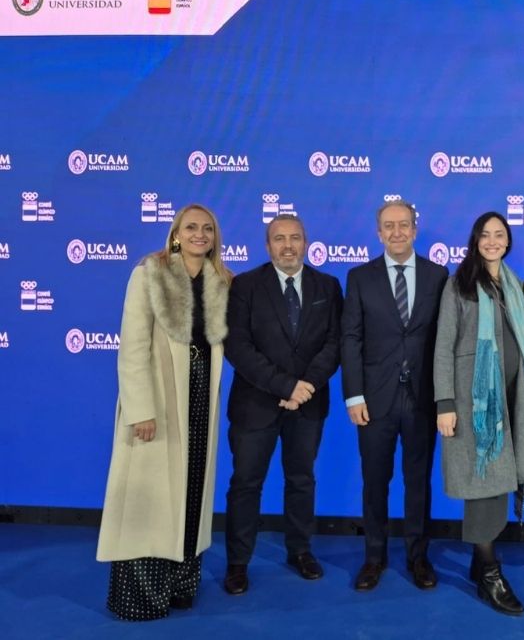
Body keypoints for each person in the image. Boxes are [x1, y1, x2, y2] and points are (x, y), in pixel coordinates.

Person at [97, 203, 231, 620]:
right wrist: (140, 410)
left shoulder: (220, 281)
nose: (199, 234)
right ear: (175, 233)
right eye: (191, 227)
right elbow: (133, 346)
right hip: (158, 400)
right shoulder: (149, 273)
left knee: (192, 494)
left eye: (207, 228)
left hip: (200, 400)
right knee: (151, 501)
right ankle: (141, 597)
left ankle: (180, 585)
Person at [222, 214, 343, 595]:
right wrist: (286, 385)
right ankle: (238, 562)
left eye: (295, 238)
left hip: (308, 404)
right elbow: (237, 346)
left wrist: (305, 387)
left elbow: (335, 343)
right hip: (255, 404)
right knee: (246, 484)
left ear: (306, 242)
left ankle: (300, 550)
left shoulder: (328, 285)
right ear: (267, 245)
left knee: (301, 479)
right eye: (279, 238)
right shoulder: (244, 286)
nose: (288, 245)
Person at [433, 212, 524, 615]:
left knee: (498, 482)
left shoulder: (513, 284)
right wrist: (445, 403)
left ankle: (481, 564)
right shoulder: (458, 284)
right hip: (475, 404)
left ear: (508, 240)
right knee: (484, 485)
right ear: (475, 241)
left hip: (511, 401)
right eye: (485, 235)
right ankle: (490, 573)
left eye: (499, 234)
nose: (492, 241)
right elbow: (443, 347)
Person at [341, 199, 448, 591]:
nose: (397, 232)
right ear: (379, 232)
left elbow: (444, 339)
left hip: (422, 398)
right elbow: (350, 339)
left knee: (418, 481)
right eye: (389, 226)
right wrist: (354, 395)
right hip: (374, 399)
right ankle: (374, 557)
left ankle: (419, 557)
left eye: (404, 224)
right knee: (375, 481)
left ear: (415, 230)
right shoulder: (359, 277)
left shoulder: (439, 275)